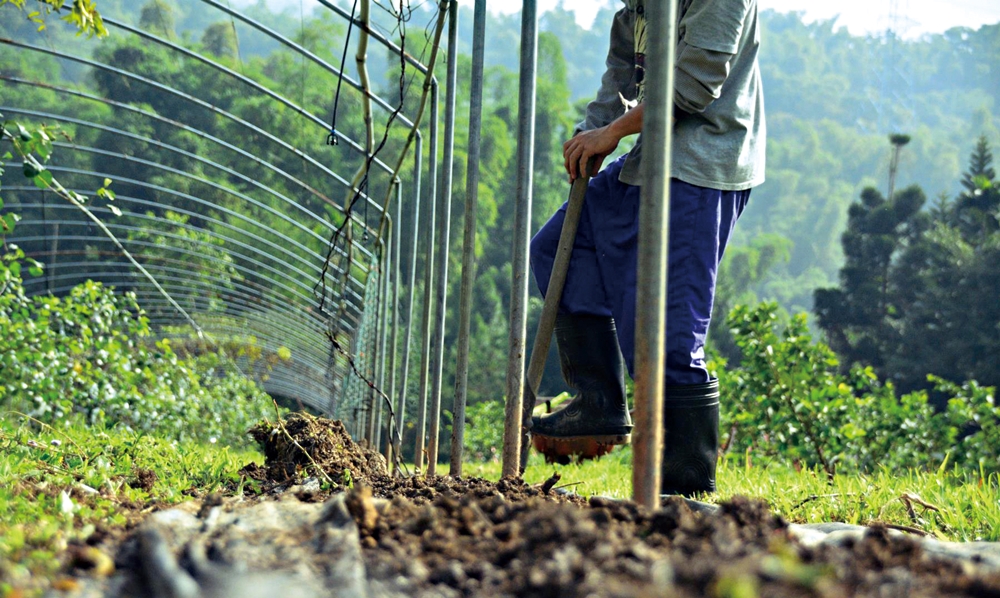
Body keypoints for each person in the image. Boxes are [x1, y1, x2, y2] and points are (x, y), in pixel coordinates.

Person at [529, 0, 766, 496]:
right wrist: (591, 132)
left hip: (701, 164)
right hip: (648, 157)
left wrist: (611, 133)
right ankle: (598, 402)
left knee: (670, 337)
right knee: (559, 250)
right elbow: (622, 72)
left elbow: (694, 86)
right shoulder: (636, 6)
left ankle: (685, 486)